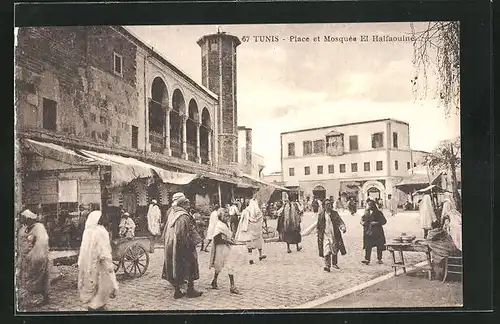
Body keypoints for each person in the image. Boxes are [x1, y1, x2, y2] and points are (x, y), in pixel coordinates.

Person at [161, 192, 203, 299]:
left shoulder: (172, 213)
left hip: (171, 243)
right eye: (187, 204)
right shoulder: (183, 216)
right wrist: (190, 244)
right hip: (182, 245)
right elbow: (182, 233)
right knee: (191, 265)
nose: (189, 206)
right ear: (182, 204)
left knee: (176, 267)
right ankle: (190, 290)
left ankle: (177, 291)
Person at [78, 211, 119, 312]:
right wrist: (113, 280)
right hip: (100, 271)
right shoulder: (101, 231)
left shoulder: (87, 232)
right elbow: (105, 256)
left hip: (88, 270)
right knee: (99, 300)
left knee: (92, 298)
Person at [17, 209, 50, 310]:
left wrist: (32, 255)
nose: (22, 220)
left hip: (37, 258)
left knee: (40, 277)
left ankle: (45, 298)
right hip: (27, 258)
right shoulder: (25, 228)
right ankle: (28, 298)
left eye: (24, 218)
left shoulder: (39, 227)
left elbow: (42, 243)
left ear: (29, 218)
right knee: (29, 277)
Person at [209, 208, 242, 294]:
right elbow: (217, 239)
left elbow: (226, 235)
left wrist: (230, 240)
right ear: (220, 216)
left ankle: (229, 285)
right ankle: (229, 285)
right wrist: (229, 242)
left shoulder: (225, 224)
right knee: (219, 266)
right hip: (221, 248)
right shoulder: (219, 225)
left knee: (229, 265)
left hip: (226, 248)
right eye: (225, 215)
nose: (227, 217)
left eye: (227, 215)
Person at [317, 199, 347, 272]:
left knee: (334, 249)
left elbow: (339, 221)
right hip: (325, 235)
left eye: (329, 204)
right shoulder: (321, 215)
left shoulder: (334, 213)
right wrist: (319, 234)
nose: (328, 205)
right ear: (324, 206)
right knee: (327, 251)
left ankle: (334, 263)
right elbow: (318, 226)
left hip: (334, 234)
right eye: (327, 204)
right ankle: (327, 266)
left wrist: (343, 227)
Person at [236, 197, 267, 264]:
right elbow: (261, 220)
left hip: (249, 232)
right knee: (259, 243)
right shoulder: (258, 212)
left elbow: (242, 220)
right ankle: (260, 255)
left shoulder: (246, 211)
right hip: (257, 232)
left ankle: (250, 258)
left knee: (249, 245)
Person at [361, 200, 387, 265]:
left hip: (377, 232)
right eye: (368, 205)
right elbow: (362, 219)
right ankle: (367, 259)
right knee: (368, 245)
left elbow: (384, 221)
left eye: (370, 205)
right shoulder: (366, 213)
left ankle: (379, 259)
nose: (368, 206)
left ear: (373, 205)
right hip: (368, 231)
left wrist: (376, 223)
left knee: (379, 246)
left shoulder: (378, 213)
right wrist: (362, 222)